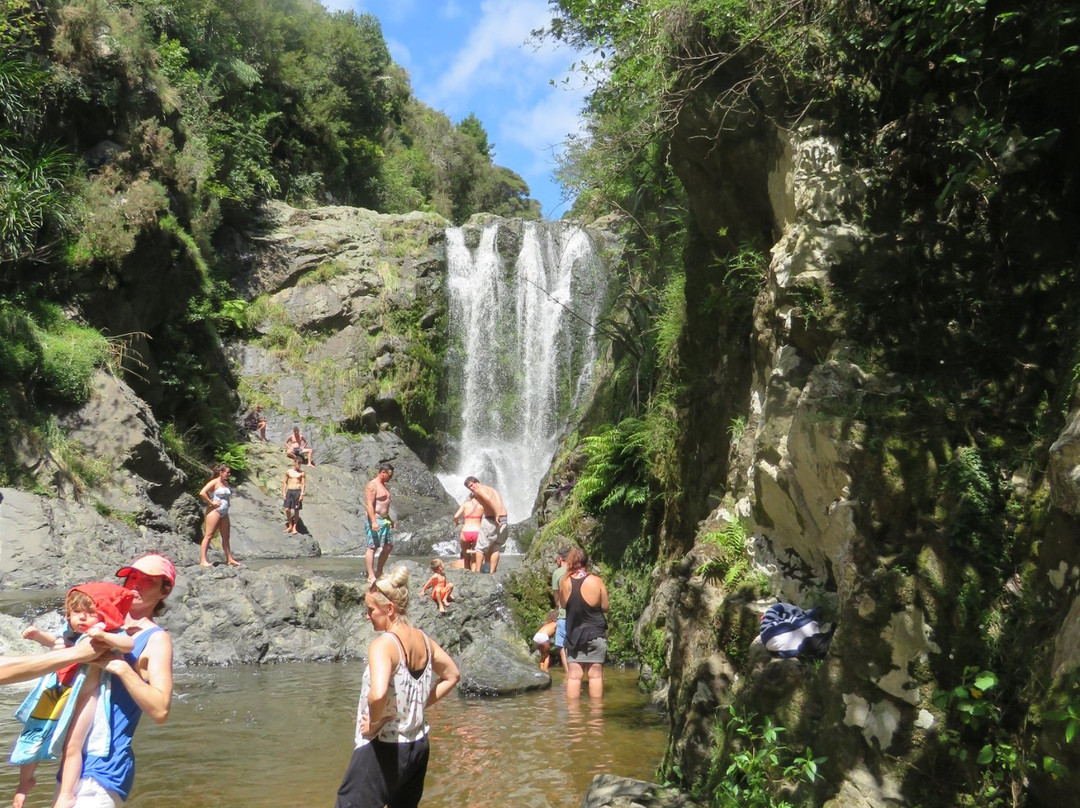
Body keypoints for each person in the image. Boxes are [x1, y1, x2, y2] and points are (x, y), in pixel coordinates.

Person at [334, 567, 460, 808]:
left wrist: (373, 722)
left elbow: (379, 693)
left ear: (389, 609)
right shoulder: (424, 639)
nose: (367, 616)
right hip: (418, 746)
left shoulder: (383, 645)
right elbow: (452, 675)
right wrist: (418, 704)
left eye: (370, 610)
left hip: (385, 745)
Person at [11, 583, 135, 808]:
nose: (83, 618)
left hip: (86, 698)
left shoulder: (108, 633)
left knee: (73, 746)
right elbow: (54, 640)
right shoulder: (67, 633)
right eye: (77, 613)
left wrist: (105, 636)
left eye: (90, 613)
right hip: (58, 692)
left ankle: (67, 793)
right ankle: (24, 781)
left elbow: (128, 644)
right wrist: (38, 636)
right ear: (69, 615)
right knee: (33, 733)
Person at [71, 553, 176, 807]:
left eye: (148, 580)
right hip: (72, 761)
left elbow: (160, 710)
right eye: (132, 577)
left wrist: (122, 668)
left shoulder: (156, 639)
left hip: (105, 767)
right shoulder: (95, 625)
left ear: (164, 591)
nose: (136, 584)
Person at [559, 548, 609, 699]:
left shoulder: (565, 582)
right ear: (587, 562)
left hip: (574, 636)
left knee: (574, 677)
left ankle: (573, 719)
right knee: (595, 676)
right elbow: (605, 607)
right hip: (595, 634)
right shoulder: (596, 581)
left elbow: (562, 604)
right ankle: (596, 716)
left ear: (570, 562)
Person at [463, 477, 508, 573]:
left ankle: (478, 572)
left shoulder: (479, 490)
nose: (471, 488)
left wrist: (496, 515)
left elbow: (489, 500)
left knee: (480, 548)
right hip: (503, 519)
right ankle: (492, 572)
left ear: (477, 482)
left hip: (492, 520)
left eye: (471, 485)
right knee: (496, 547)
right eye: (469, 487)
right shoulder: (492, 489)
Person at [199, 465, 240, 567]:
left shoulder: (226, 483)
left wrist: (228, 503)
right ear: (221, 472)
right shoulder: (214, 482)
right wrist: (211, 502)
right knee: (208, 535)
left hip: (224, 512)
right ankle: (203, 560)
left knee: (226, 537)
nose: (229, 474)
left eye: (229, 473)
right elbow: (202, 493)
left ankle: (229, 559)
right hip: (214, 511)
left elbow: (227, 496)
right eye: (227, 472)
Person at [364, 464, 395, 582]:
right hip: (375, 520)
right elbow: (369, 504)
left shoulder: (384, 486)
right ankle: (371, 575)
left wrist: (390, 520)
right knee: (372, 547)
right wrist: (373, 521)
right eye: (389, 475)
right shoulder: (372, 485)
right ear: (383, 472)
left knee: (388, 546)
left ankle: (379, 571)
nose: (390, 478)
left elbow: (384, 506)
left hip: (385, 520)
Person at [452, 493, 484, 571]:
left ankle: (466, 573)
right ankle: (474, 574)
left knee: (466, 557)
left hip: (466, 531)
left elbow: (456, 516)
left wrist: (457, 523)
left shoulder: (465, 505)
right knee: (474, 557)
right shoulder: (482, 506)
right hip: (477, 532)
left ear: (470, 497)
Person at [550, 548, 570, 673]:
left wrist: (558, 607)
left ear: (559, 559)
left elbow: (556, 597)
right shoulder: (577, 571)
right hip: (580, 615)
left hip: (564, 615)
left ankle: (568, 674)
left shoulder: (558, 573)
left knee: (562, 646)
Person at [282, 454, 306, 535]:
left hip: (297, 491)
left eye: (300, 464)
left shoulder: (302, 473)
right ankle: (290, 525)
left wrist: (302, 494)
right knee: (287, 509)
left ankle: (294, 527)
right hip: (290, 491)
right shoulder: (289, 471)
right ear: (294, 462)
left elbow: (303, 484)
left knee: (296, 509)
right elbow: (285, 482)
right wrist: (284, 492)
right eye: (298, 463)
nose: (299, 465)